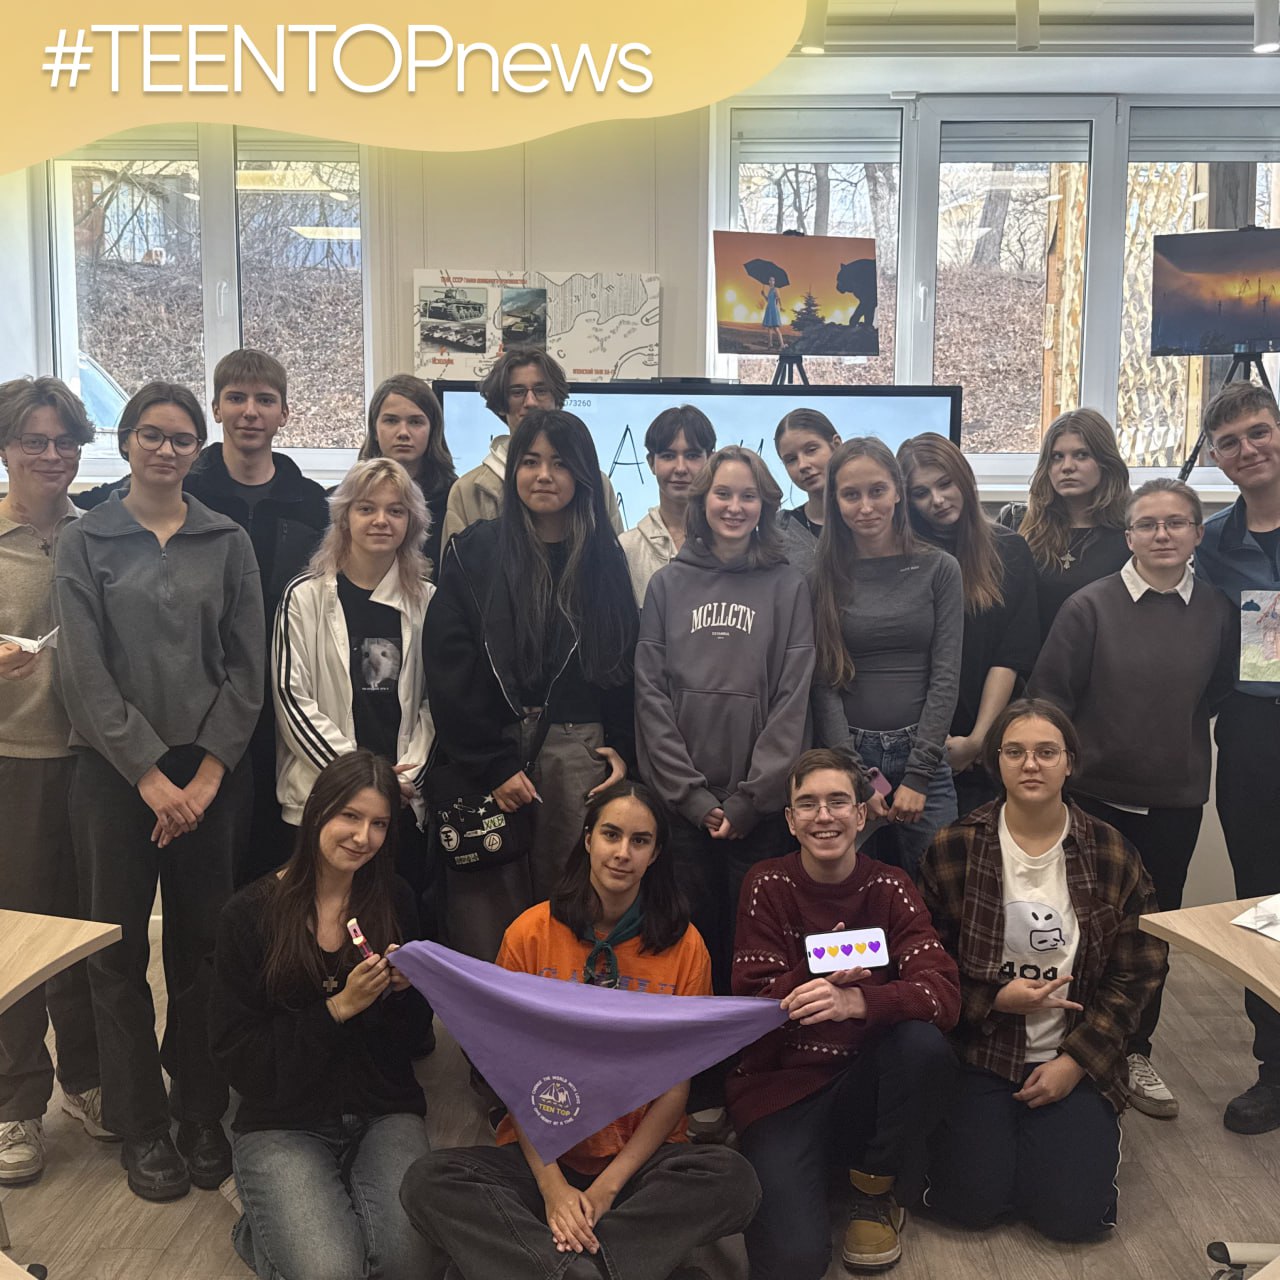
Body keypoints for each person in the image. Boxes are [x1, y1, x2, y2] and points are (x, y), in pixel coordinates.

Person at [399, 780, 761, 1280]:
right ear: (588, 838)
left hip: (638, 1164)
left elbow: (675, 1089)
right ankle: (605, 1265)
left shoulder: (685, 946)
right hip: (539, 1157)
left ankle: (552, 1264)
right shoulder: (530, 932)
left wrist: (605, 1191)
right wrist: (553, 1190)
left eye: (640, 841)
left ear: (656, 854)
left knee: (734, 1180)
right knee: (428, 1181)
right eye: (611, 834)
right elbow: (513, 1077)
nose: (622, 853)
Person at [54, 382, 264, 1201]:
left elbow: (246, 671)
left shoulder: (227, 539)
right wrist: (148, 776)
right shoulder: (86, 539)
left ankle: (200, 1110)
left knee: (203, 948)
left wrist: (203, 778)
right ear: (126, 441)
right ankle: (140, 1124)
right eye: (152, 435)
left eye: (181, 438)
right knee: (116, 956)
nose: (166, 450)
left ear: (196, 448)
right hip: (114, 776)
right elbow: (83, 673)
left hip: (210, 775)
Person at [919, 699, 1167, 1241]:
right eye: (1015, 752)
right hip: (982, 1051)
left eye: (1046, 752)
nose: (1030, 764)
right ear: (997, 762)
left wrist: (1077, 1062)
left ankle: (1059, 1145)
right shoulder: (953, 847)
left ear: (1069, 762)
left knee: (1072, 1219)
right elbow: (927, 962)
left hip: (1071, 1052)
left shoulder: (1113, 853)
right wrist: (992, 999)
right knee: (970, 1204)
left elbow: (1139, 972)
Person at [1028, 478, 1233, 1121]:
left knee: (1153, 931)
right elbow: (1050, 698)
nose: (1162, 534)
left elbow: (1218, 694)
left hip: (1174, 798)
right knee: (1079, 925)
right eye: (1147, 524)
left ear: (1198, 533)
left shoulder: (1220, 611)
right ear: (1129, 535)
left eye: (1176, 523)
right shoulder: (1088, 607)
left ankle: (1134, 1049)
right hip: (1094, 797)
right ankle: (1067, 1044)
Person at [729, 749, 959, 1277]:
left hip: (866, 1086)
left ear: (860, 814)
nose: (823, 816)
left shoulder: (891, 886)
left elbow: (943, 995)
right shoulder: (765, 884)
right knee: (793, 1262)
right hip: (783, 1091)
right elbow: (752, 1009)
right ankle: (805, 1173)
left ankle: (875, 1189)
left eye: (837, 802)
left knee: (924, 1046)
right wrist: (810, 976)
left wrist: (859, 1001)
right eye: (808, 804)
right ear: (790, 821)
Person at [209, 750, 433, 1280]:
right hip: (282, 1118)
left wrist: (406, 992)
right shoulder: (248, 915)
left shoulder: (395, 899)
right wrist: (337, 1009)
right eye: (350, 816)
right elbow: (237, 1057)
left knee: (410, 1266)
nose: (363, 837)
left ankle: (285, 1221)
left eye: (379, 824)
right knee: (331, 1271)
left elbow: (414, 1040)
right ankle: (263, 1220)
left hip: (381, 1109)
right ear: (316, 812)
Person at [425, 408, 638, 962]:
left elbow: (621, 661)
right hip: (487, 746)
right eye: (531, 461)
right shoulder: (474, 551)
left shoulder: (604, 557)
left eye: (560, 464)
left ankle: (565, 1006)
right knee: (488, 913)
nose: (544, 475)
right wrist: (493, 764)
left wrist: (622, 747)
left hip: (577, 749)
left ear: (583, 475)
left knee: (572, 900)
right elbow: (448, 665)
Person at [635, 445, 815, 998]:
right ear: (703, 500)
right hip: (682, 807)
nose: (735, 506)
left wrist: (749, 799)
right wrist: (691, 797)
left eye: (748, 496)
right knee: (684, 942)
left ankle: (752, 1046)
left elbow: (793, 699)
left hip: (757, 809)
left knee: (756, 945)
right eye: (723, 494)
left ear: (765, 506)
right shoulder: (667, 584)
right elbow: (650, 696)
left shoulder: (788, 585)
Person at [0, 377, 111, 1185]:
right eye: (34, 440)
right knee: (20, 940)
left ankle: (87, 1080)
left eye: (64, 440)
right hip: (16, 762)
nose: (51, 454)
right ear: (7, 448)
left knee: (87, 934)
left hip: (94, 761)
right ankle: (15, 1105)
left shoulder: (95, 533)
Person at [273, 458, 436, 903]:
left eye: (396, 510)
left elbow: (437, 704)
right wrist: (361, 779)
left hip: (400, 802)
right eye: (366, 508)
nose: (381, 520)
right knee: (315, 925)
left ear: (412, 522)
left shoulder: (428, 601)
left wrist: (405, 779)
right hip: (321, 799)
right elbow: (291, 699)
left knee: (393, 923)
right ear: (344, 516)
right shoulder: (303, 597)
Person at [810, 437, 963, 879]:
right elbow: (824, 684)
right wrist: (857, 778)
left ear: (898, 490)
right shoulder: (821, 577)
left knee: (941, 888)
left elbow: (946, 676)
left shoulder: (939, 568)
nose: (866, 507)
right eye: (851, 495)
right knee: (849, 892)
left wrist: (918, 776)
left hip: (924, 757)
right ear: (835, 501)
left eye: (877, 491)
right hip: (851, 757)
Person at [1194, 380, 1280, 1135]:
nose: (1247, 450)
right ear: (1216, 459)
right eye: (1230, 443)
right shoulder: (1215, 543)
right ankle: (1274, 1069)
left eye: (1258, 432)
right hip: (1256, 733)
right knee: (1264, 900)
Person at [899, 432, 1039, 816]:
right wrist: (928, 741)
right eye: (921, 492)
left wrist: (978, 740)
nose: (937, 500)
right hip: (913, 743)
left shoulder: (1009, 550)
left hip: (988, 740)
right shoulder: (904, 558)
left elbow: (1010, 656)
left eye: (945, 483)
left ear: (964, 478)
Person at [440, 348, 622, 550]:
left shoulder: (596, 484)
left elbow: (612, 559)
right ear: (501, 404)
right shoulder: (468, 492)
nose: (531, 402)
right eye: (517, 392)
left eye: (541, 391)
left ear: (557, 399)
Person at [1015, 408, 1131, 640]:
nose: (1067, 467)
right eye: (1057, 457)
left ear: (1105, 462)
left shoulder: (1129, 535)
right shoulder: (1022, 528)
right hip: (1034, 657)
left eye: (1081, 455)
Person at [357, 374, 457, 580]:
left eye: (415, 422)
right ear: (374, 429)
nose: (403, 432)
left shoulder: (456, 499)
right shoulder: (350, 499)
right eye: (391, 421)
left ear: (433, 430)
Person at [618, 405, 715, 605]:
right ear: (651, 463)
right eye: (668, 456)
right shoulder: (627, 548)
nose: (680, 468)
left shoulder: (730, 543)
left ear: (711, 460)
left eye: (692, 455)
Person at [774, 407, 840, 541]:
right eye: (791, 459)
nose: (802, 465)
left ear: (836, 445)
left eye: (811, 450)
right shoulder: (779, 530)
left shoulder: (871, 518)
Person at [761, 277, 784, 350]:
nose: (771, 281)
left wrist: (781, 306)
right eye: (770, 280)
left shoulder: (775, 289)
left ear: (774, 282)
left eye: (773, 280)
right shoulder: (770, 290)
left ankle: (782, 345)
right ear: (768, 281)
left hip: (773, 309)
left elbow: (779, 298)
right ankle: (770, 344)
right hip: (769, 308)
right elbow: (768, 300)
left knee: (776, 328)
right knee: (769, 328)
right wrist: (763, 295)